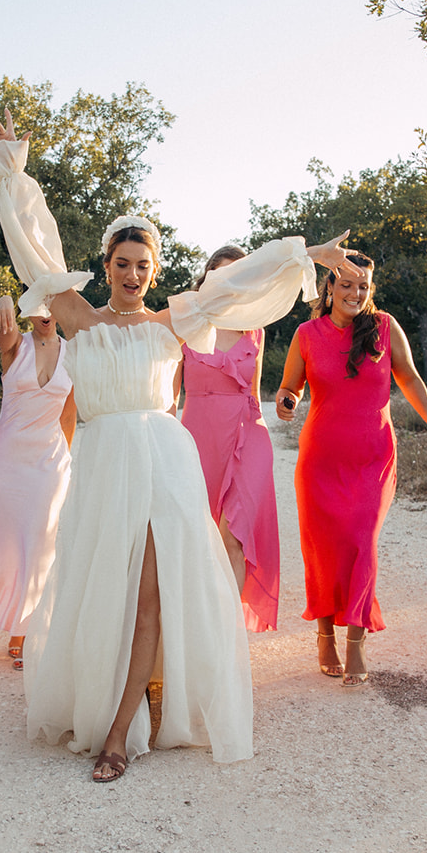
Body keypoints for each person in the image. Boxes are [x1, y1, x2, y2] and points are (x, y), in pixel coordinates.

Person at [0, 109, 361, 783]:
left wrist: (303, 255)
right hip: (99, 467)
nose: (132, 273)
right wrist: (13, 173)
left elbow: (235, 285)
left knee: (152, 595)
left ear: (154, 269)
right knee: (102, 591)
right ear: (105, 265)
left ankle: (119, 734)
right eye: (121, 263)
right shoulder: (76, 315)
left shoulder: (172, 319)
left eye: (142, 264)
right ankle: (104, 702)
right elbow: (32, 246)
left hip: (160, 461)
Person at [276, 254, 427, 687]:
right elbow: (290, 386)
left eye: (364, 286)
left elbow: (409, 378)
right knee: (322, 550)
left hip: (373, 456)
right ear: (330, 287)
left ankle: (356, 641)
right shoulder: (306, 334)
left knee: (361, 541)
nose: (356, 294)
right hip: (320, 459)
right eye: (347, 285)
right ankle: (324, 636)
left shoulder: (385, 327)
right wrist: (286, 402)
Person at [177, 245, 284, 632]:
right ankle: (197, 628)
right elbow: (169, 397)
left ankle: (227, 635)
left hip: (247, 436)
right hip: (197, 436)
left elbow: (254, 393)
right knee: (201, 536)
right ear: (206, 279)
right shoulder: (187, 325)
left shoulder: (255, 327)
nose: (227, 282)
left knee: (234, 535)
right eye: (219, 275)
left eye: (237, 275)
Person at [0, 301, 76, 670]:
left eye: (52, 302)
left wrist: (62, 458)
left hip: (49, 460)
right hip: (7, 459)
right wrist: (5, 300)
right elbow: (3, 329)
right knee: (9, 545)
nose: (46, 311)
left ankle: (28, 630)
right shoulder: (14, 345)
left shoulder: (73, 351)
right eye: (37, 304)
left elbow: (69, 412)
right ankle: (16, 619)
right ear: (27, 310)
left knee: (41, 543)